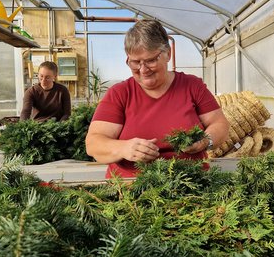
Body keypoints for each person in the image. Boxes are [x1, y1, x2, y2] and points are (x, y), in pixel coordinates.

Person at [85, 19, 229, 178]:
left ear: (168, 53)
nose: (143, 69)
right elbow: (94, 143)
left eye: (150, 60)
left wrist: (205, 141)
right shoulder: (119, 93)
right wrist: (124, 148)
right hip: (130, 189)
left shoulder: (192, 86)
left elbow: (219, 123)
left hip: (190, 183)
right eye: (135, 62)